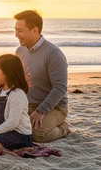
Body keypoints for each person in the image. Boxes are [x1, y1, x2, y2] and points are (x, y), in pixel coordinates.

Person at [14, 10, 70, 143]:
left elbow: (60, 88)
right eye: (15, 30)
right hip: (27, 105)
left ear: (35, 30)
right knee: (7, 127)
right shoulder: (19, 51)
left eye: (20, 30)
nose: (16, 34)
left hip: (53, 107)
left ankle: (64, 128)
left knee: (36, 135)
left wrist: (41, 111)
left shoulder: (53, 54)